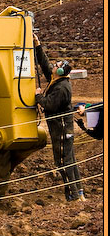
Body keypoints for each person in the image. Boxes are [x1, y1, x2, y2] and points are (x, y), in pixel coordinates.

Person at [33, 33, 85, 202]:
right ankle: (78, 193)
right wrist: (38, 45)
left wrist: (38, 96)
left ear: (61, 71)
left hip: (62, 129)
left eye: (57, 65)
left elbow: (49, 105)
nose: (54, 66)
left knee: (64, 161)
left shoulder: (62, 88)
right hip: (61, 129)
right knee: (69, 160)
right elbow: (46, 65)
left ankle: (74, 195)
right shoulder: (57, 80)